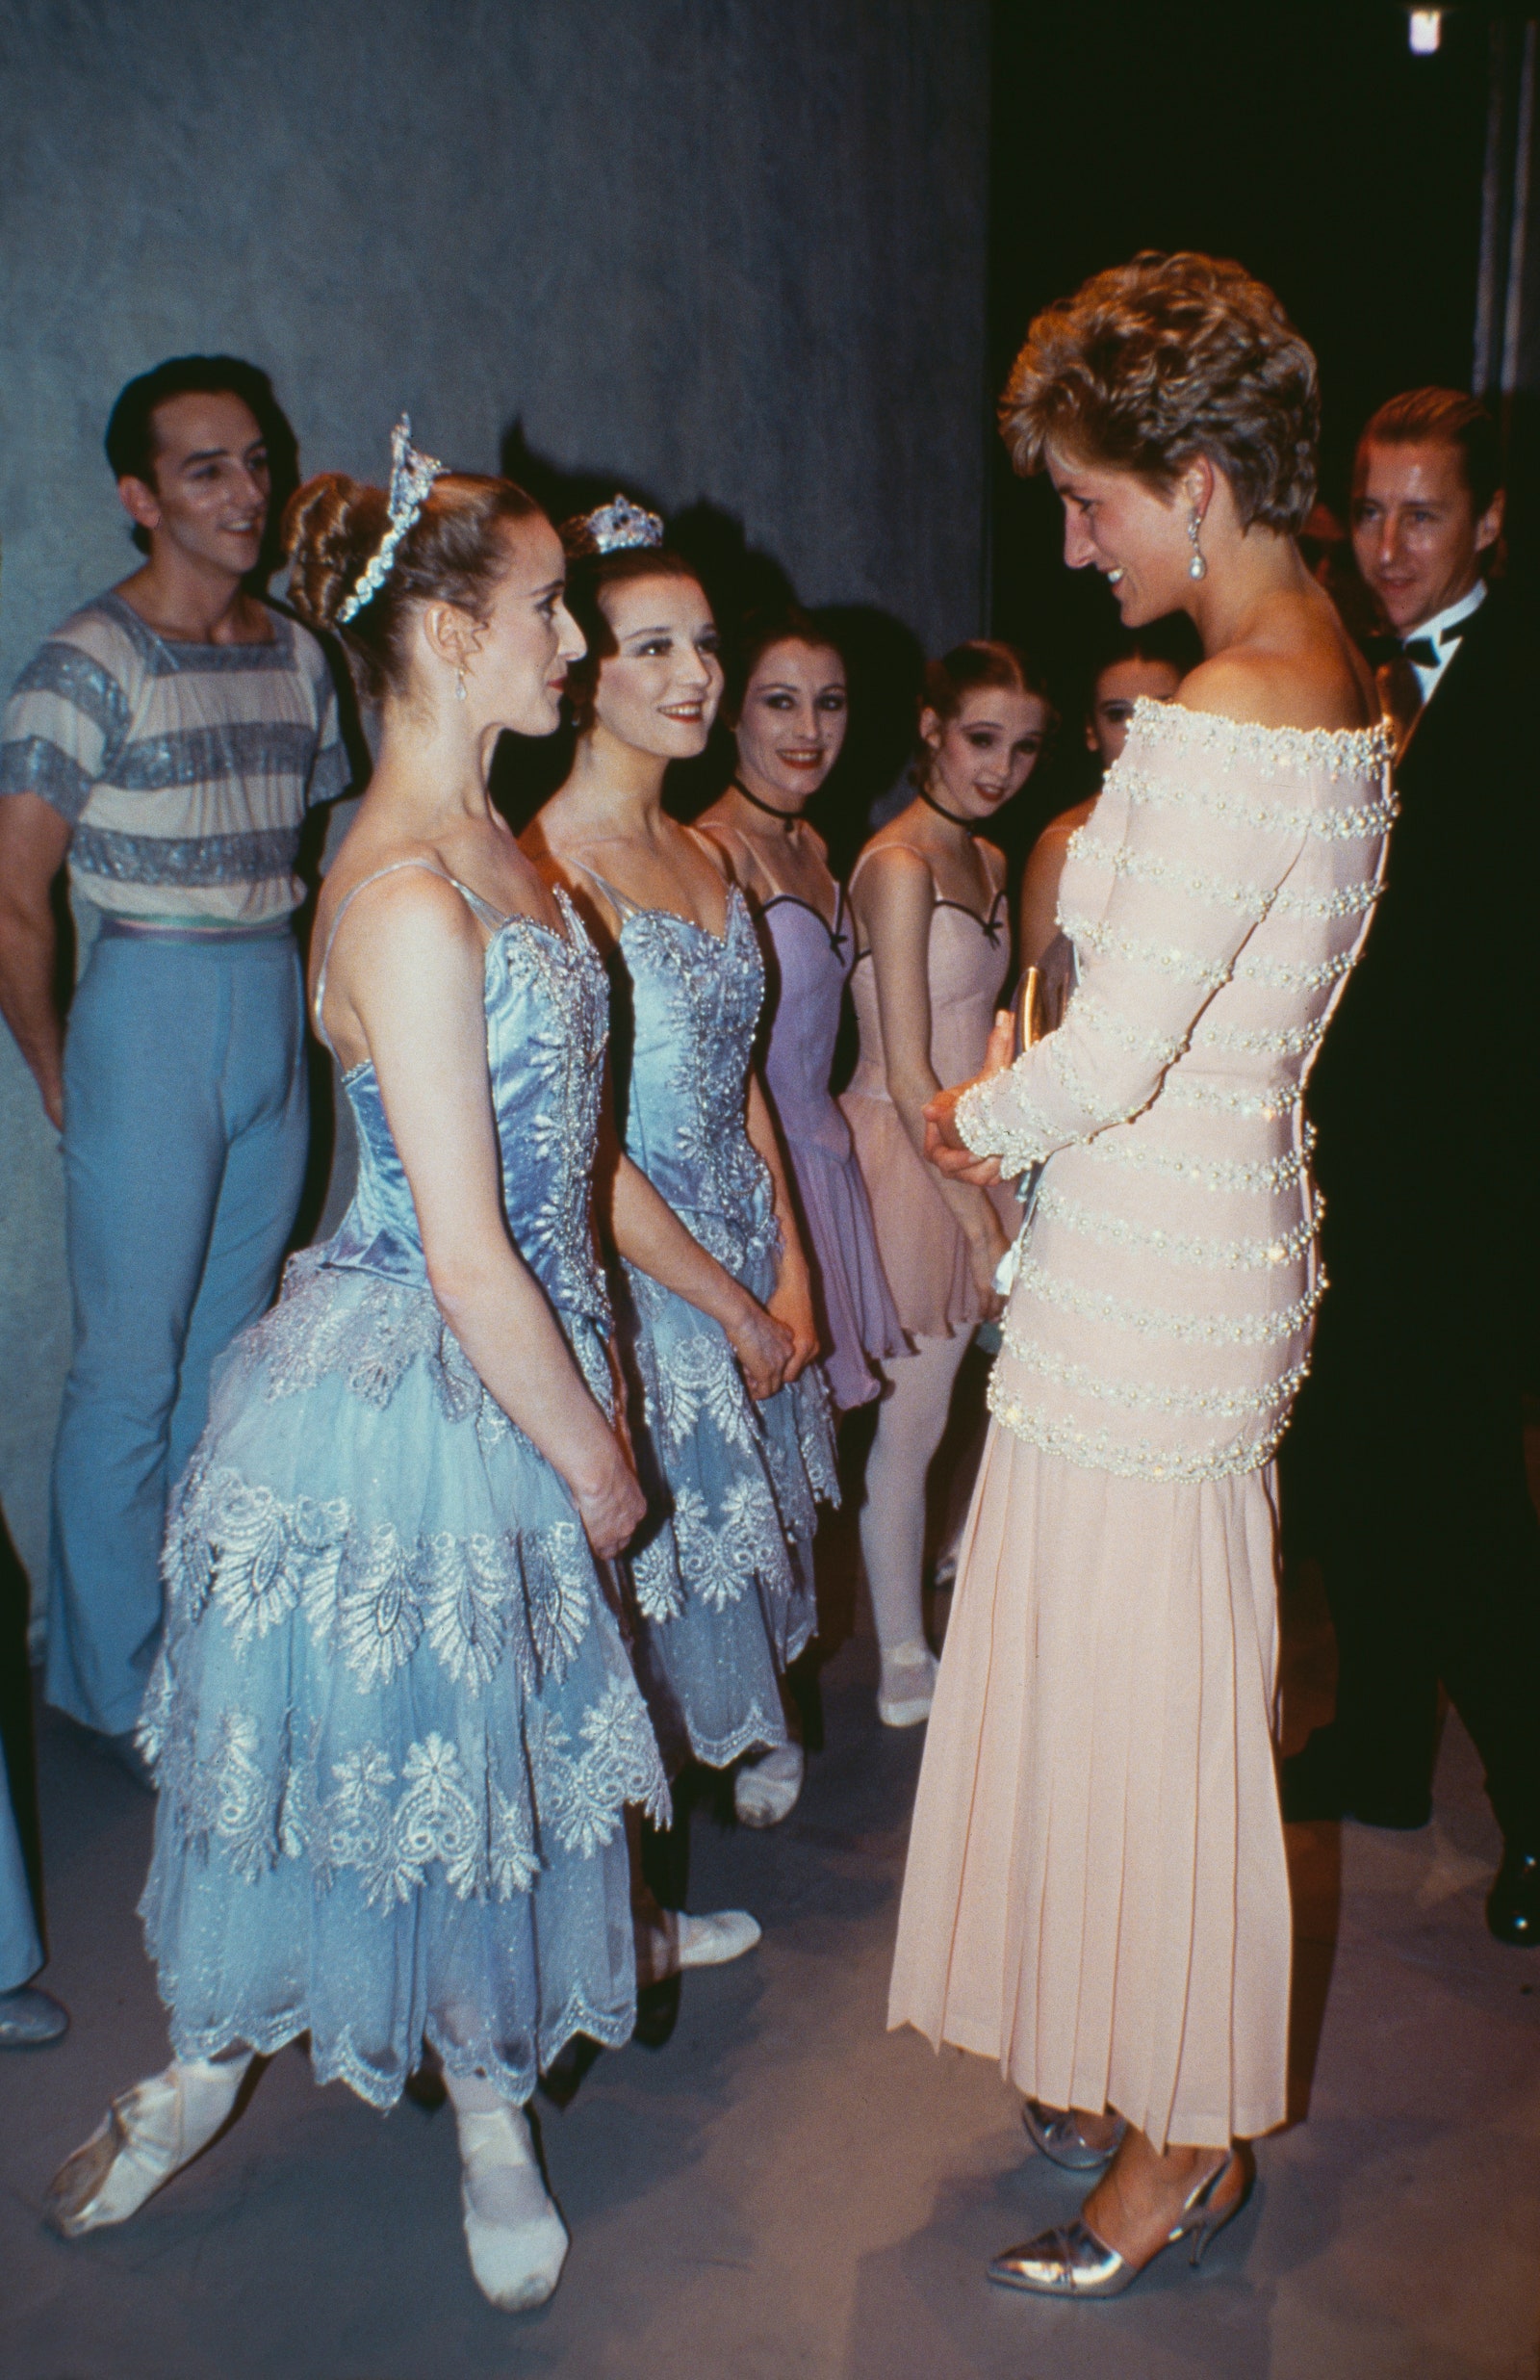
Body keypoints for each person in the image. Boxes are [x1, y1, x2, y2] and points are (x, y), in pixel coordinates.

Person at [42, 431, 755, 2313]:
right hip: (418, 1374)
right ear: (444, 635)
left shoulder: (499, 848)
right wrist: (598, 1454)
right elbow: (457, 1242)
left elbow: (562, 1162)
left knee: (483, 1758)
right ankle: (215, 2065)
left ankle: (491, 2102)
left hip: (516, 1343)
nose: (572, 646)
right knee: (392, 1757)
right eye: (543, 614)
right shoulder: (404, 896)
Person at [891, 251, 1391, 2298]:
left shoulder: (1222, 709)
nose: (1074, 539)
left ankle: (1185, 2142)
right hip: (1205, 1246)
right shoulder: (1333, 669)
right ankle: (1135, 2060)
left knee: (1161, 1715)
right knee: (1137, 1683)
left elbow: (1110, 1051)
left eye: (1092, 498)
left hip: (1148, 1275)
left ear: (1195, 478)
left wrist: (957, 1122)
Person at [0, 356, 348, 1761]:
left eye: (256, 461)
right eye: (207, 469)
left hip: (267, 1006)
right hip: (145, 1003)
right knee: (130, 1374)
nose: (246, 493)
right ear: (140, 497)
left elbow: (312, 856)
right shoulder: (86, 659)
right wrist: (54, 1060)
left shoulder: (300, 655)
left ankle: (210, 1656)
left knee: (232, 1359)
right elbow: (15, 891)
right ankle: (109, 1682)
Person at [526, 501, 837, 1834]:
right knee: (649, 1567)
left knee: (745, 1528)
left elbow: (750, 1082)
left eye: (702, 643)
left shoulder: (708, 847)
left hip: (746, 1237)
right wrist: (728, 1304)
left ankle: (725, 1751)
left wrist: (798, 1270)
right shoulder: (549, 871)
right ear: (576, 671)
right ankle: (639, 1855)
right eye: (648, 648)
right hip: (647, 1268)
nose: (696, 676)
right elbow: (581, 1151)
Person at [1282, 390, 1540, 1947]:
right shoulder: (1334, 675)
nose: (1385, 545)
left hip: (1483, 1161)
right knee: (1354, 1460)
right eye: (1368, 511)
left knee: (1463, 1501)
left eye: (1422, 514)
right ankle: (1379, 1742)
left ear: (1490, 521)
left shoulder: (1519, 682)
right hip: (1354, 1151)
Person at [840, 643, 1045, 1728]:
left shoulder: (995, 860)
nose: (1000, 768)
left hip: (979, 1149)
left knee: (1025, 1393)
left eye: (1022, 748)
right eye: (979, 740)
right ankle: (903, 1659)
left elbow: (991, 1036)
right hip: (907, 1162)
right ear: (929, 728)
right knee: (911, 1431)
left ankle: (971, 1567)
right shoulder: (898, 865)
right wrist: (973, 1222)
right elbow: (914, 1070)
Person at [697, 609, 906, 1417]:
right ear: (730, 710)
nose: (810, 729)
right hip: (760, 1176)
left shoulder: (814, 844)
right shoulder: (714, 851)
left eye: (831, 702)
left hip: (828, 1158)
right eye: (781, 702)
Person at [1018, 629, 1185, 1033]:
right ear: (1090, 732)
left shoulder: (1224, 828)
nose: (1141, 731)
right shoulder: (1064, 846)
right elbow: (1036, 1017)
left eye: (1162, 709)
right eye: (1118, 715)